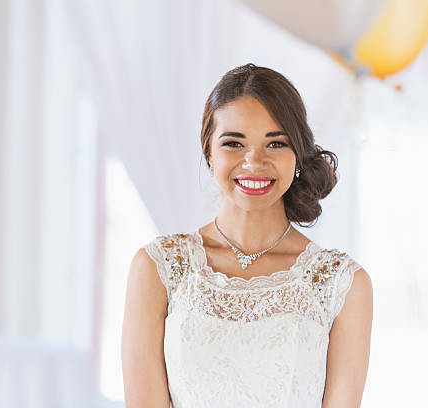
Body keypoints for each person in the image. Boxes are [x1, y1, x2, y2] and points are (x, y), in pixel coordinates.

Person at [121, 63, 373, 408]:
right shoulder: (159, 268)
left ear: (297, 155)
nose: (254, 162)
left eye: (275, 143)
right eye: (234, 144)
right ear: (209, 152)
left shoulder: (341, 284)